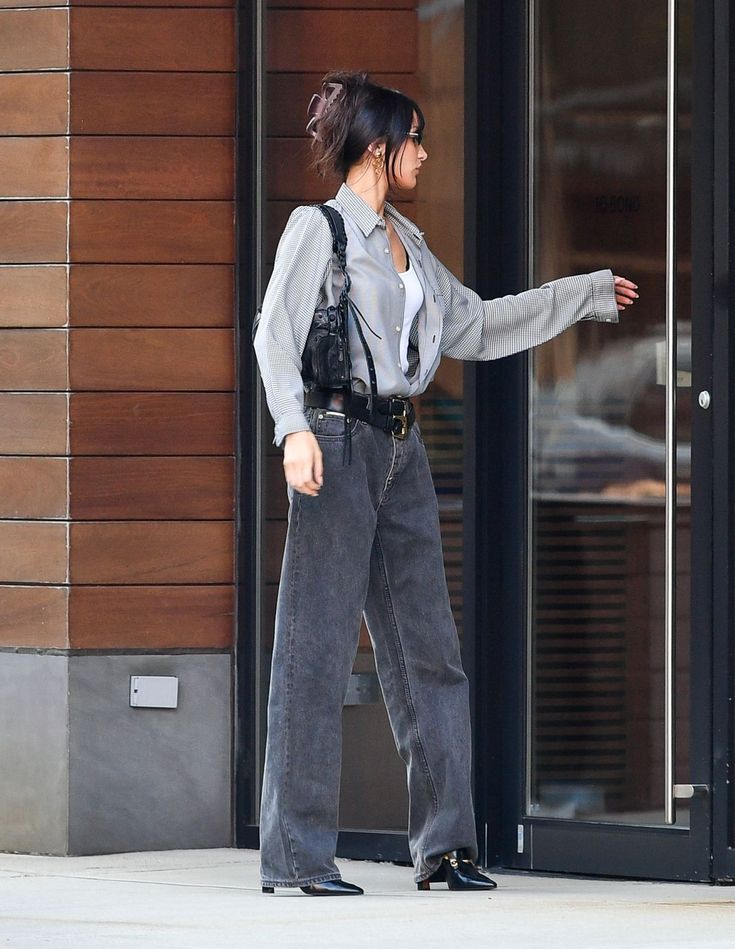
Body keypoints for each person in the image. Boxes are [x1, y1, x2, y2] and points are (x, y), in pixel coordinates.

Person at [254, 70, 639, 897]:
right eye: (414, 141)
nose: (425, 155)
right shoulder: (316, 231)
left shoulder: (411, 247)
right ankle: (296, 855)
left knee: (431, 654)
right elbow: (272, 337)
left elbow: (479, 326)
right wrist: (292, 431)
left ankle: (446, 846)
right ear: (377, 148)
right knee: (314, 652)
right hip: (331, 439)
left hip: (401, 449)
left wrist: (582, 295)